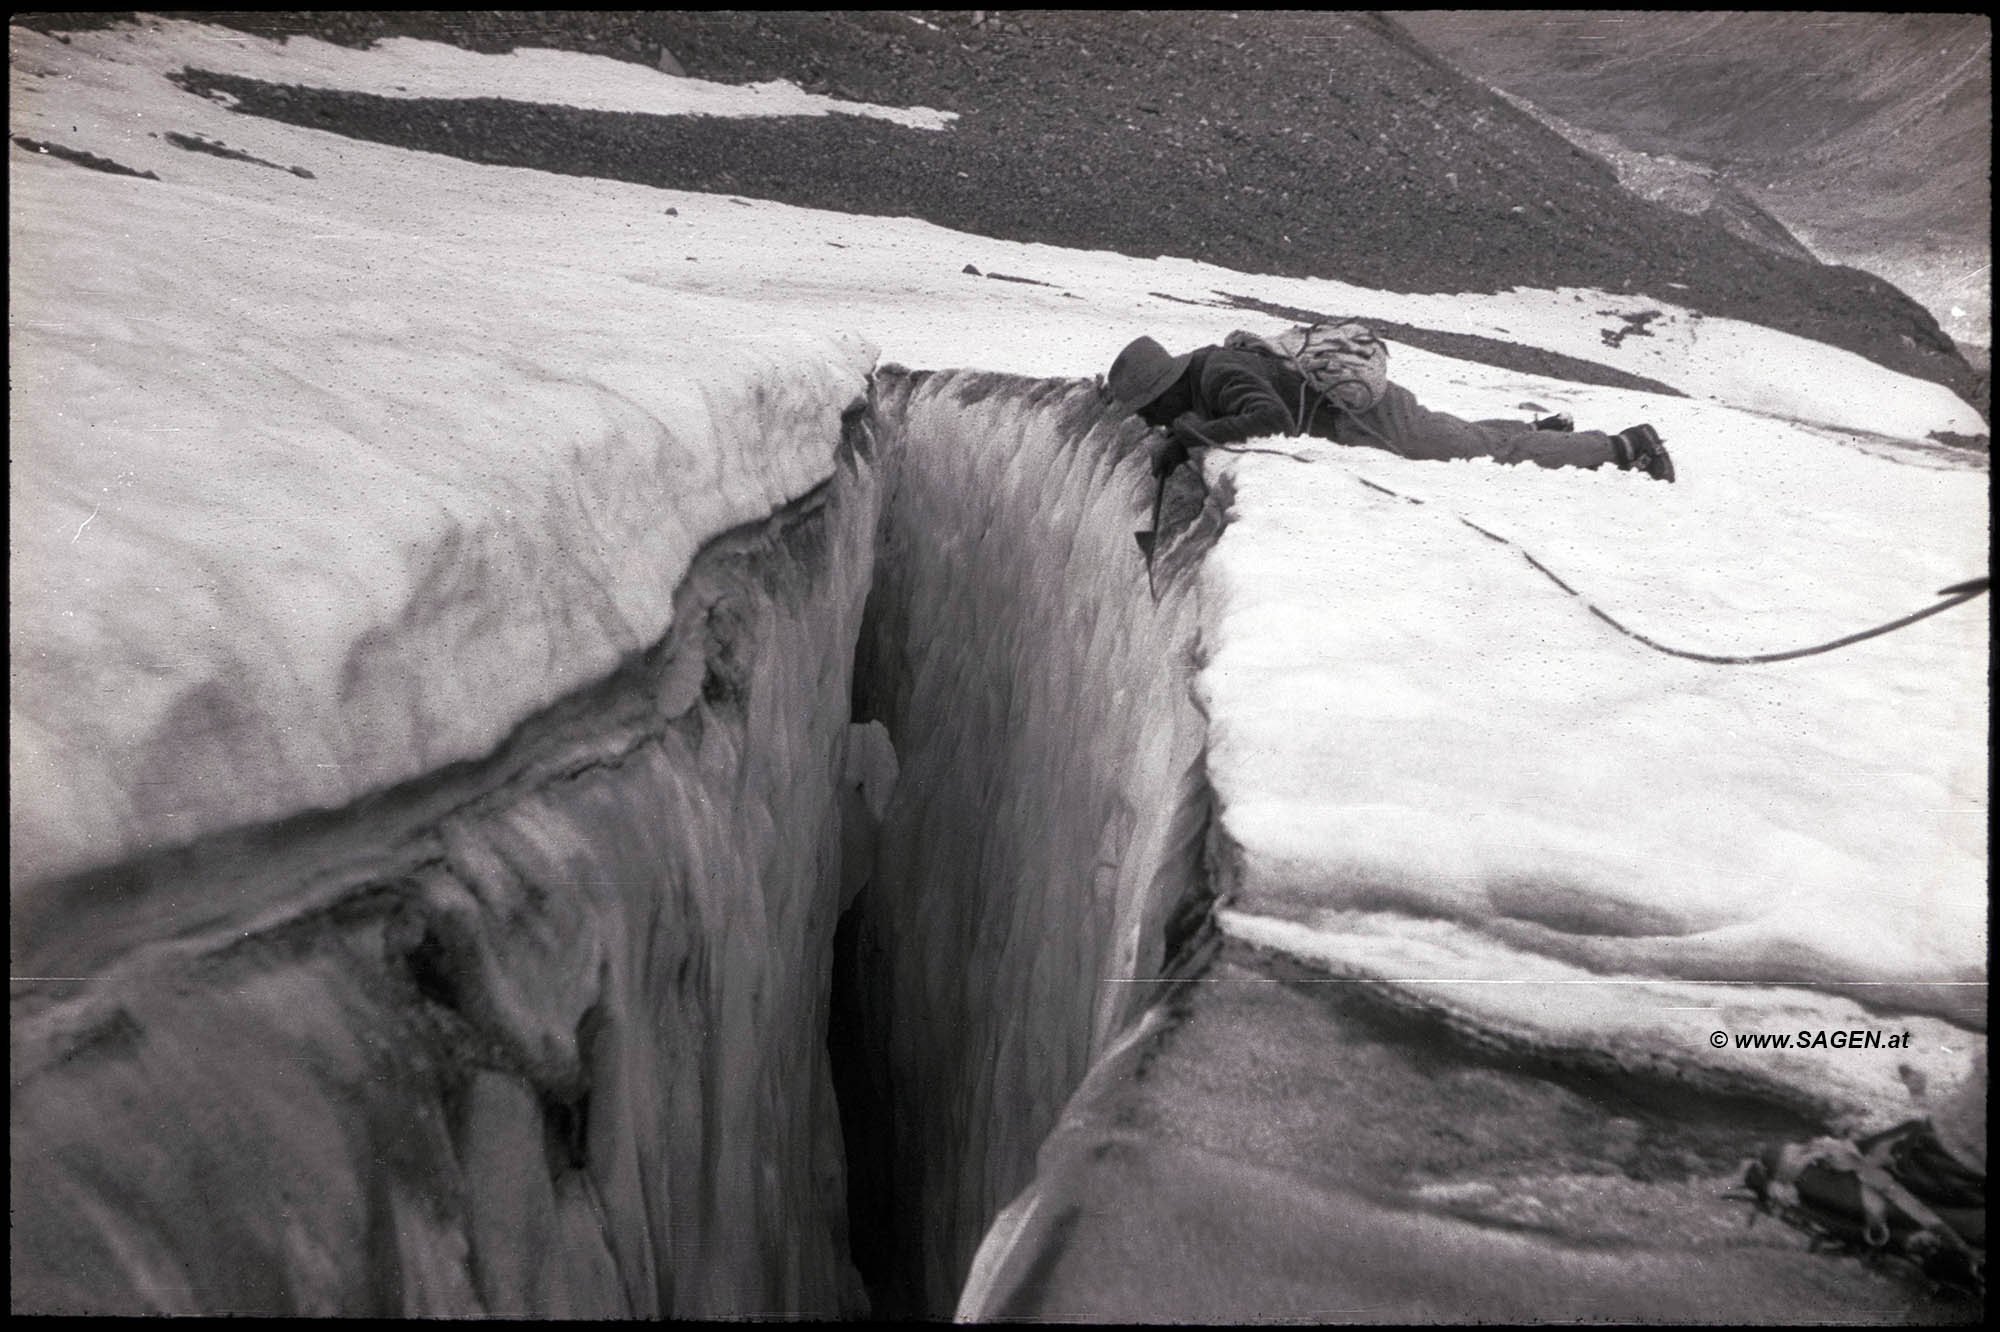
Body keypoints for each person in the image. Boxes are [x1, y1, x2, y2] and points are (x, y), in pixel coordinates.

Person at [1103, 324, 1675, 485]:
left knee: (1490, 451)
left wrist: (1186, 437)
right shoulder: (1207, 373)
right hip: (1358, 415)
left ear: (1169, 389)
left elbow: (1271, 418)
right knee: (1467, 437)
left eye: (1151, 407)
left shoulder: (1220, 374)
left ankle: (1626, 447)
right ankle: (1546, 426)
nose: (1150, 417)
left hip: (1369, 417)